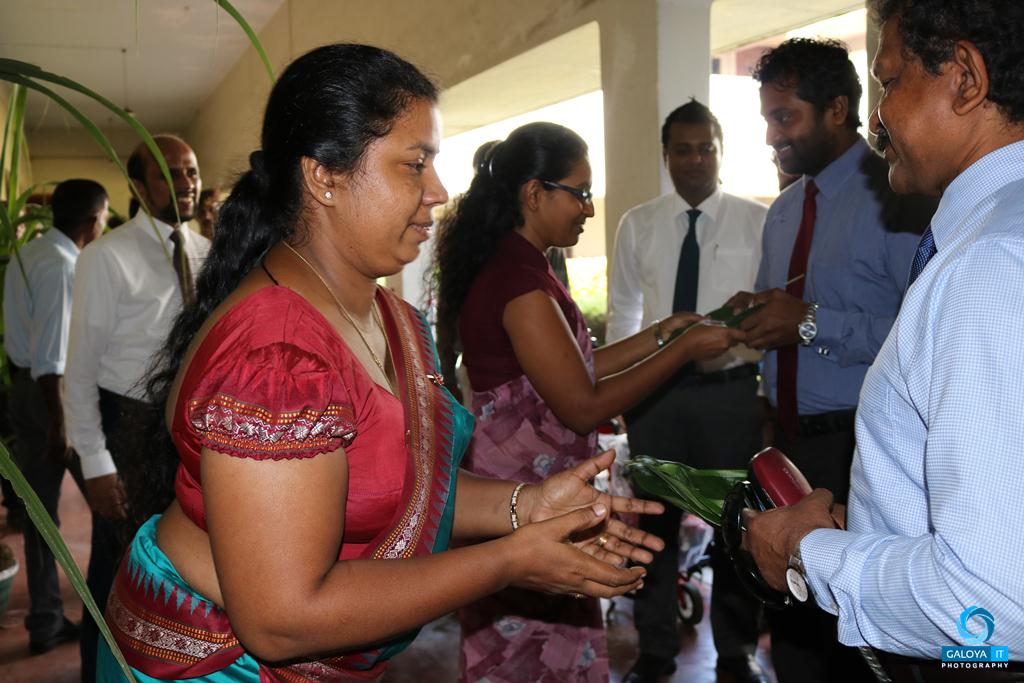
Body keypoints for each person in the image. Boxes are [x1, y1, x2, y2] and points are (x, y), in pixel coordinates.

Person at [95, 44, 663, 683]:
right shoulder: (275, 355)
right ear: (324, 177)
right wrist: (509, 560)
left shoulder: (391, 318)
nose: (438, 192)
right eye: (414, 165)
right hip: (219, 664)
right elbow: (281, 620)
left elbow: (398, 487)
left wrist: (526, 506)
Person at [744, 1, 1024, 681]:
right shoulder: (991, 232)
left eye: (890, 82)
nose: (878, 118)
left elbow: (988, 609)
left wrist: (809, 553)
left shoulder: (989, 264)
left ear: (965, 78)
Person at [434, 121, 744, 682]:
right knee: (530, 657)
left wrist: (661, 335)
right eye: (579, 193)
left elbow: (571, 368)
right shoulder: (519, 282)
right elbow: (581, 404)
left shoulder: (523, 265)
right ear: (534, 194)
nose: (589, 209)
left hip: (536, 488)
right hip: (526, 494)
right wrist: (682, 352)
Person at [725, 37, 934, 683]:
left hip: (861, 447)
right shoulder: (784, 210)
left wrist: (811, 322)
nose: (771, 136)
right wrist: (757, 316)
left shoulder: (899, 197)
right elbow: (784, 314)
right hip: (786, 441)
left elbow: (922, 338)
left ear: (838, 109)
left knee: (857, 639)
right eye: (767, 118)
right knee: (793, 625)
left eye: (785, 117)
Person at [607, 100, 770, 683]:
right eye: (683, 149)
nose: (696, 160)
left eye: (706, 149)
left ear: (721, 152)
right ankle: (655, 652)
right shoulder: (638, 223)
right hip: (657, 399)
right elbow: (623, 315)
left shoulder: (757, 222)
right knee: (653, 527)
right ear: (666, 155)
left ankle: (737, 654)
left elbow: (771, 315)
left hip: (731, 398)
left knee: (736, 527)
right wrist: (622, 396)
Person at [64, 134, 211, 681]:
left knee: (180, 564)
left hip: (189, 428)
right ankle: (100, 672)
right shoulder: (106, 257)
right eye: (171, 173)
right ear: (139, 186)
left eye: (191, 171)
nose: (186, 183)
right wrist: (95, 463)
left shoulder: (208, 253)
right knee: (116, 568)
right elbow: (80, 369)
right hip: (126, 426)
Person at [3, 179, 108, 655]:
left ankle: (45, 621)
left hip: (26, 391)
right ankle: (107, 612)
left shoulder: (31, 253)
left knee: (40, 515)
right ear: (92, 220)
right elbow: (51, 358)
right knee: (107, 503)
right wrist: (60, 425)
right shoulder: (66, 268)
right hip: (53, 398)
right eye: (103, 217)